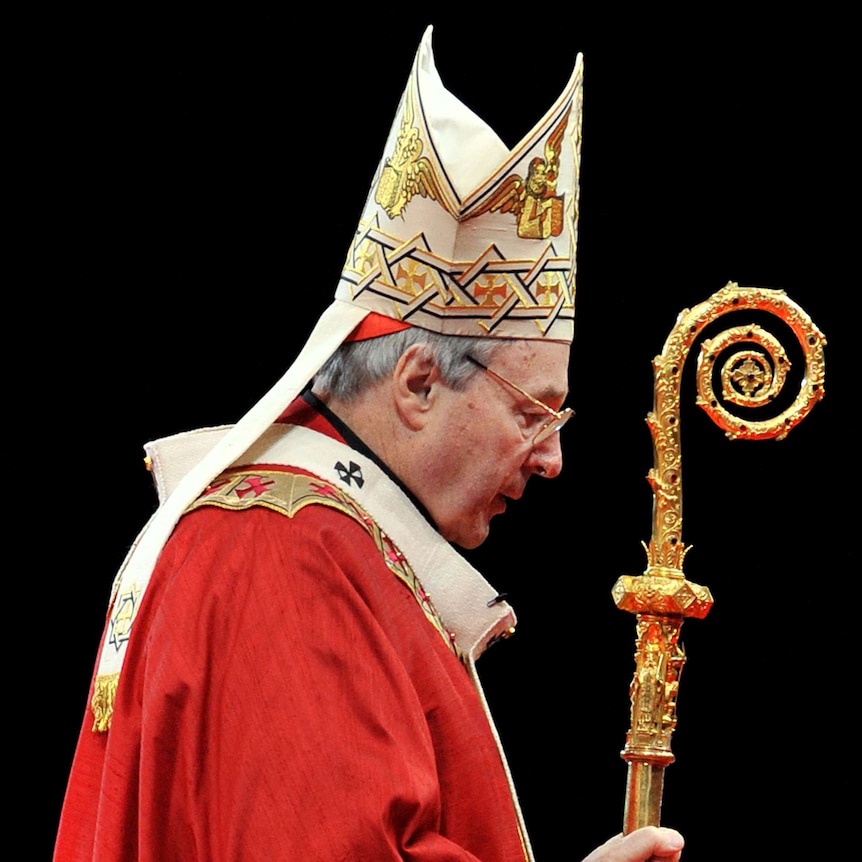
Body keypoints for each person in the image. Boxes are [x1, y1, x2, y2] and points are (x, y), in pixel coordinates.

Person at [54, 26, 685, 862]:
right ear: (419, 382)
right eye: (534, 413)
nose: (551, 459)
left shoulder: (326, 540)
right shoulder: (275, 553)